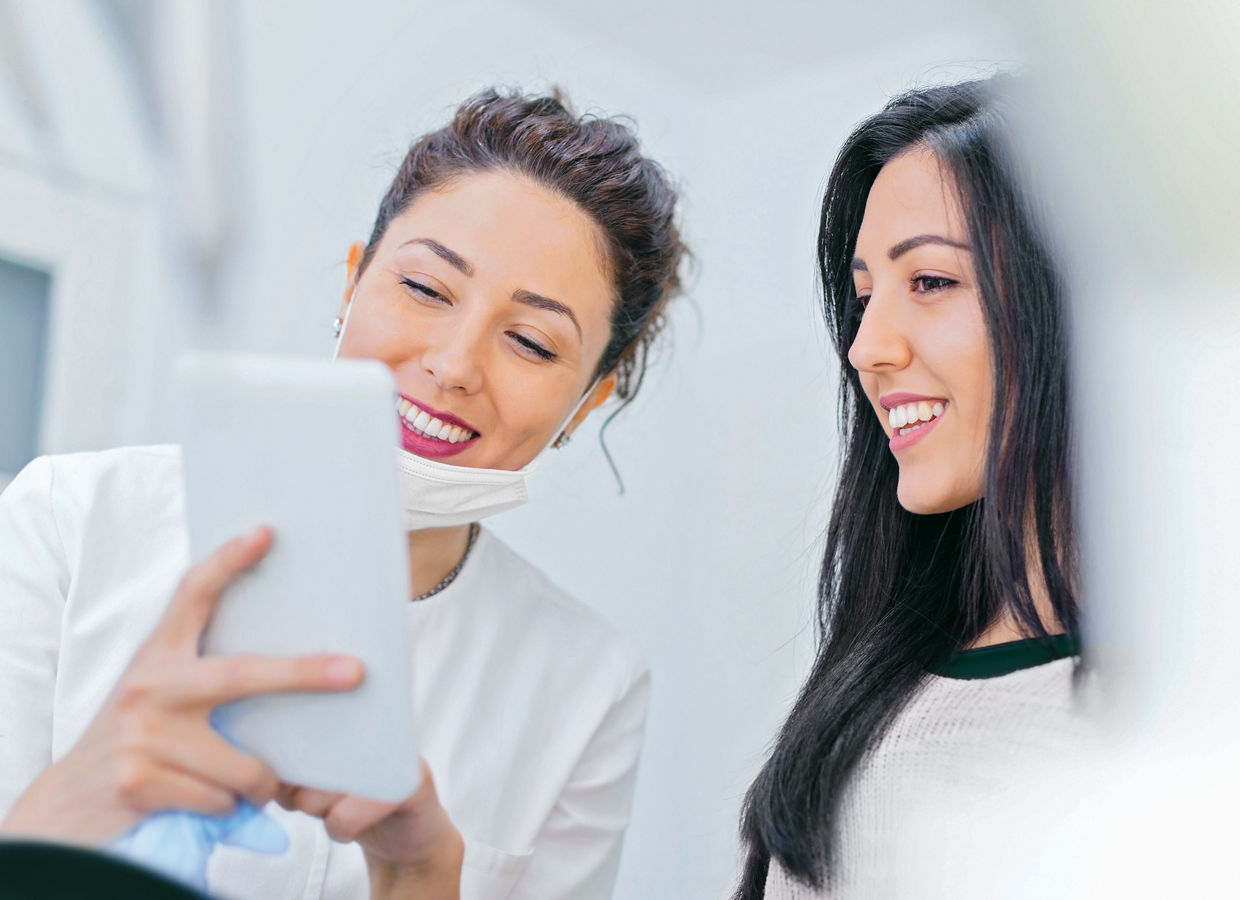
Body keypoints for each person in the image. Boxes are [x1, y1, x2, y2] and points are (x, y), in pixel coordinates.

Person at [0, 88, 686, 900]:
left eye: (532, 342)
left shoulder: (589, 687)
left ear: (589, 398)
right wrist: (77, 804)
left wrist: (425, 878)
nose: (455, 362)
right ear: (352, 284)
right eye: (427, 290)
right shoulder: (72, 520)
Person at [733, 77, 1091, 899]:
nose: (865, 348)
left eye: (929, 282)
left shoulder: (1181, 717)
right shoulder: (868, 696)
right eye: (863, 299)